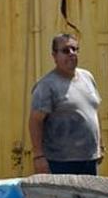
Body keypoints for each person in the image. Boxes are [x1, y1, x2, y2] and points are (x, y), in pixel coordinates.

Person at [29, 33, 102, 175]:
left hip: (89, 160)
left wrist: (100, 146)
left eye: (75, 49)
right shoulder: (47, 86)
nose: (71, 54)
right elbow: (35, 121)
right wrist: (38, 156)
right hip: (60, 162)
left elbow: (93, 112)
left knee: (87, 197)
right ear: (54, 56)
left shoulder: (87, 77)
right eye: (65, 50)